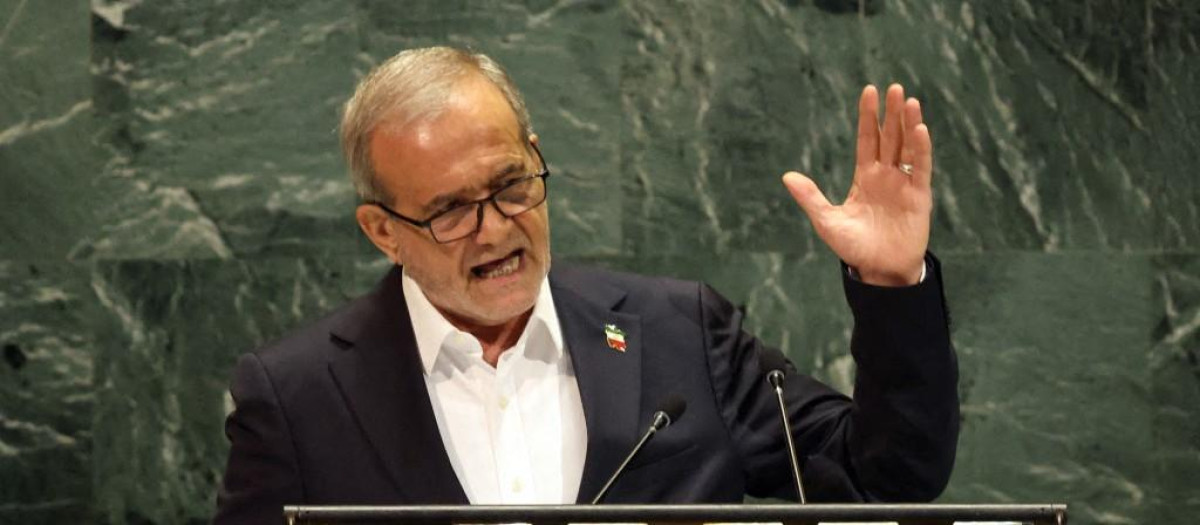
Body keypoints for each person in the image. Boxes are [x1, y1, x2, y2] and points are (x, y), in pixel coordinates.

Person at [214, 46, 958, 524]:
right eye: (449, 210)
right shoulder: (298, 394)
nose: (496, 227)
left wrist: (892, 280)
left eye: (511, 184)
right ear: (382, 230)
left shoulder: (680, 333)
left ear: (535, 154)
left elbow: (884, 474)